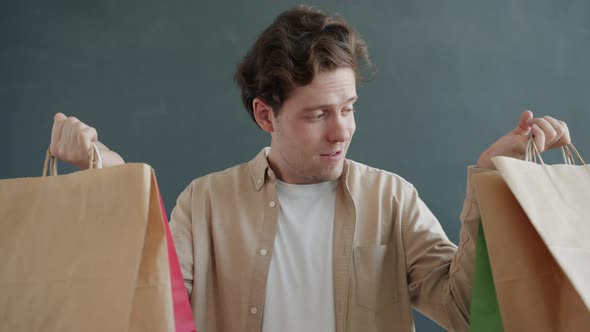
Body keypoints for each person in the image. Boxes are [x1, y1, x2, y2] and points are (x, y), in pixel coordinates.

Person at [49, 6, 571, 332]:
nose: (340, 130)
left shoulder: (393, 199)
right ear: (264, 114)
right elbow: (149, 311)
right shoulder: (204, 205)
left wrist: (491, 179)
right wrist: (114, 181)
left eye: (348, 108)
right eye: (317, 114)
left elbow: (462, 314)